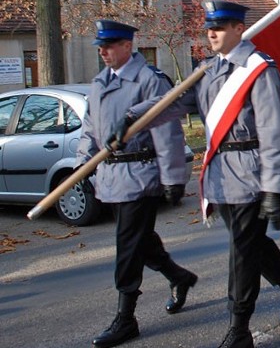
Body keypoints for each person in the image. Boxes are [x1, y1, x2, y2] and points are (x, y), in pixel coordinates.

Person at [117, 0, 280, 348]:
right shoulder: (207, 70)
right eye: (209, 27)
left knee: (242, 249)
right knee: (252, 246)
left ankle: (239, 328)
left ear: (239, 29)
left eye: (220, 26)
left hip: (251, 174)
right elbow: (174, 103)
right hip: (220, 176)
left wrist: (272, 187)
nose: (212, 33)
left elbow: (275, 132)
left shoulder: (260, 70)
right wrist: (134, 117)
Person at [79, 20, 197, 348]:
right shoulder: (100, 82)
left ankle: (126, 318)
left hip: (140, 174)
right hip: (111, 178)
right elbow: (91, 128)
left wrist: (174, 177)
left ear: (128, 45)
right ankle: (179, 276)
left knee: (128, 245)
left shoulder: (149, 80)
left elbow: (168, 131)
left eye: (110, 45)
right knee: (141, 241)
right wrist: (82, 164)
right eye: (101, 46)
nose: (103, 51)